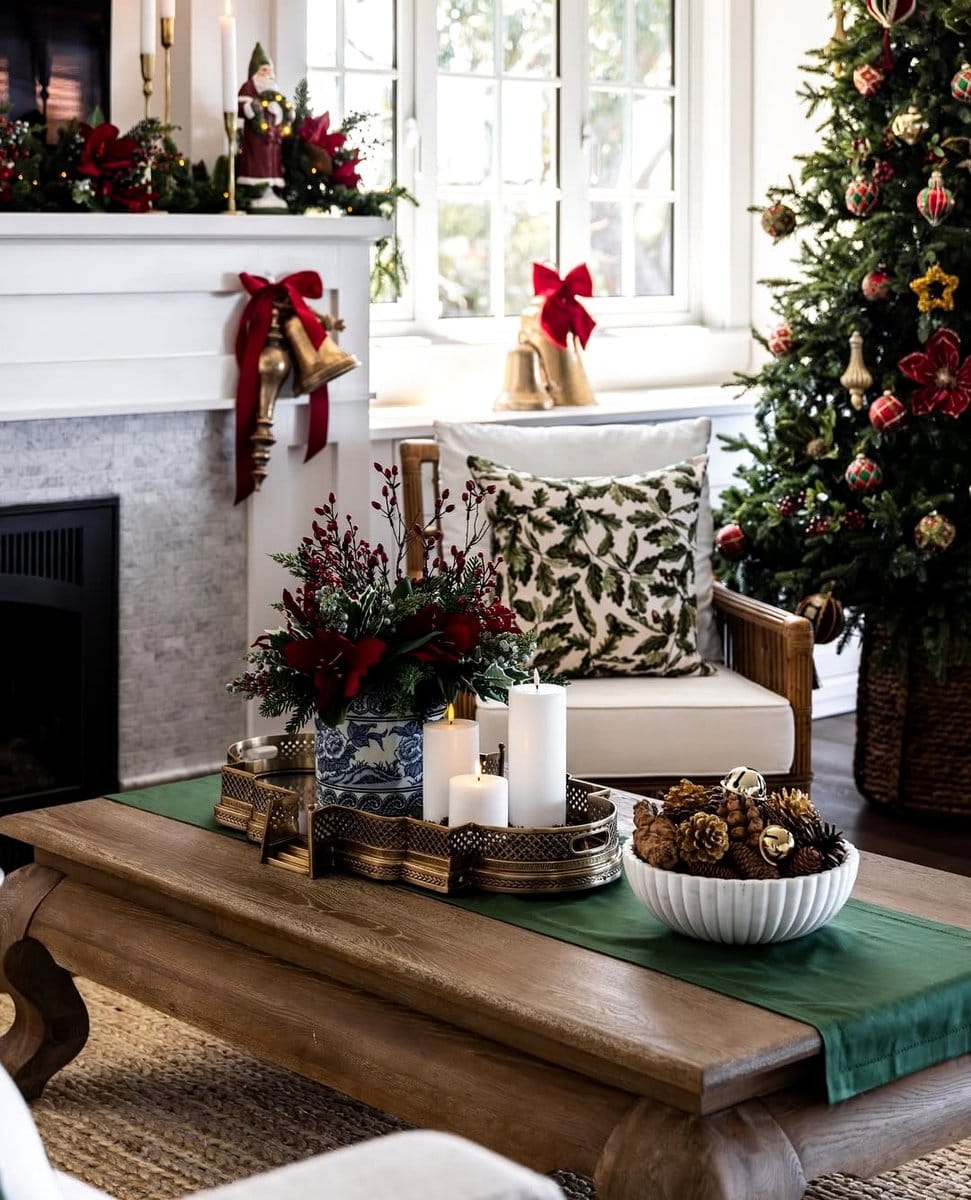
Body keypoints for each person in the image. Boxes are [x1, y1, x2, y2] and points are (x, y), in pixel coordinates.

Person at [237, 43, 288, 210]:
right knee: (257, 164)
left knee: (272, 163)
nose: (267, 73)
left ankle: (270, 190)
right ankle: (257, 191)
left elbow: (282, 107)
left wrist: (287, 116)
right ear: (256, 71)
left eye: (269, 70)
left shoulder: (274, 89)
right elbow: (240, 108)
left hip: (273, 136)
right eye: (263, 70)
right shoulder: (249, 87)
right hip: (256, 137)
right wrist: (251, 108)